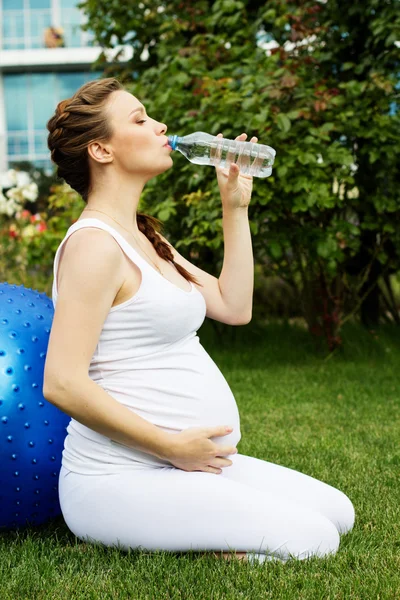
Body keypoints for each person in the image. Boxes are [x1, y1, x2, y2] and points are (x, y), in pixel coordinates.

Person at [44, 77, 355, 564]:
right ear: (101, 149)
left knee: (339, 513)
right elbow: (62, 383)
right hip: (118, 478)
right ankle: (185, 541)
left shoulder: (148, 239)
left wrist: (235, 207)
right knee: (313, 540)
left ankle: (193, 523)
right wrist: (171, 446)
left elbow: (235, 306)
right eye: (140, 119)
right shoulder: (93, 246)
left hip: (184, 466)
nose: (159, 125)